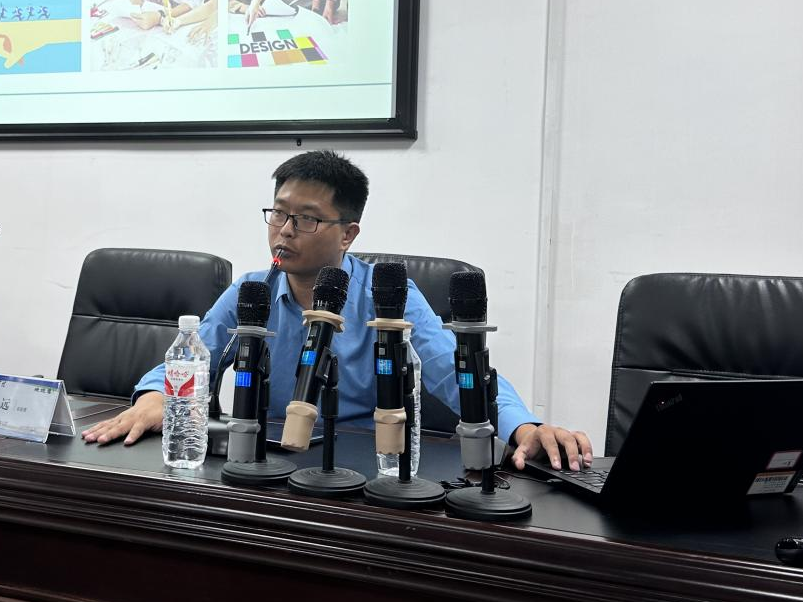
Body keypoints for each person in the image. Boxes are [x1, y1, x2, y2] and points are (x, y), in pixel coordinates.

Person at [82, 151, 594, 473]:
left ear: (348, 234)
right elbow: (190, 356)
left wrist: (523, 427)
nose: (285, 230)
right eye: (278, 213)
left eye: (306, 219)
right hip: (265, 460)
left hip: (358, 463)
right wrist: (157, 397)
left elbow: (453, 370)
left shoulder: (388, 296)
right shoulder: (252, 291)